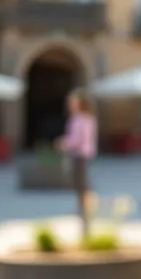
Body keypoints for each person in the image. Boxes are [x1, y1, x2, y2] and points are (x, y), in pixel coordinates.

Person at [57, 90, 97, 238]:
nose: (71, 104)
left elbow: (77, 139)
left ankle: (85, 211)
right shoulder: (87, 118)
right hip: (83, 155)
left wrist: (64, 143)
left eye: (73, 102)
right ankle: (84, 210)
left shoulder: (80, 119)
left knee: (82, 185)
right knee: (82, 185)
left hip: (80, 155)